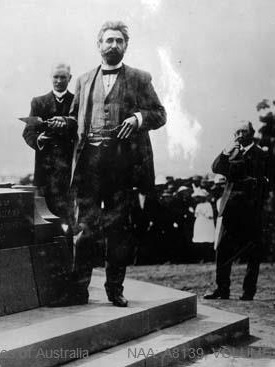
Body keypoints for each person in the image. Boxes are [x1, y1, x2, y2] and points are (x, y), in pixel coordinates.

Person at [65, 21, 166, 307]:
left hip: (123, 166)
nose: (113, 45)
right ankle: (79, 289)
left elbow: (159, 114)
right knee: (84, 228)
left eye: (119, 41)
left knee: (118, 229)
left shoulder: (139, 78)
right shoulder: (83, 80)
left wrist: (137, 119)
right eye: (108, 40)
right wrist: (63, 123)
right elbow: (75, 121)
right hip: (89, 164)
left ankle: (114, 290)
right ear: (99, 45)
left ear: (126, 46)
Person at [204, 121, 268, 300]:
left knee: (253, 253)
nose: (240, 135)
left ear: (252, 133)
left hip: (251, 209)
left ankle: (249, 291)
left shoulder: (259, 154)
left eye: (244, 131)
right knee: (223, 249)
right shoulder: (232, 153)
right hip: (231, 209)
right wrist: (225, 153)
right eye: (237, 132)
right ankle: (222, 288)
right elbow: (216, 168)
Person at [22, 63, 75, 224]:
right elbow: (28, 132)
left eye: (63, 77)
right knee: (46, 219)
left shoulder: (77, 101)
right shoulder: (38, 102)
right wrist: (38, 140)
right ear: (50, 78)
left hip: (69, 170)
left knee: (68, 218)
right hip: (45, 171)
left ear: (70, 78)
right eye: (55, 77)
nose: (58, 81)